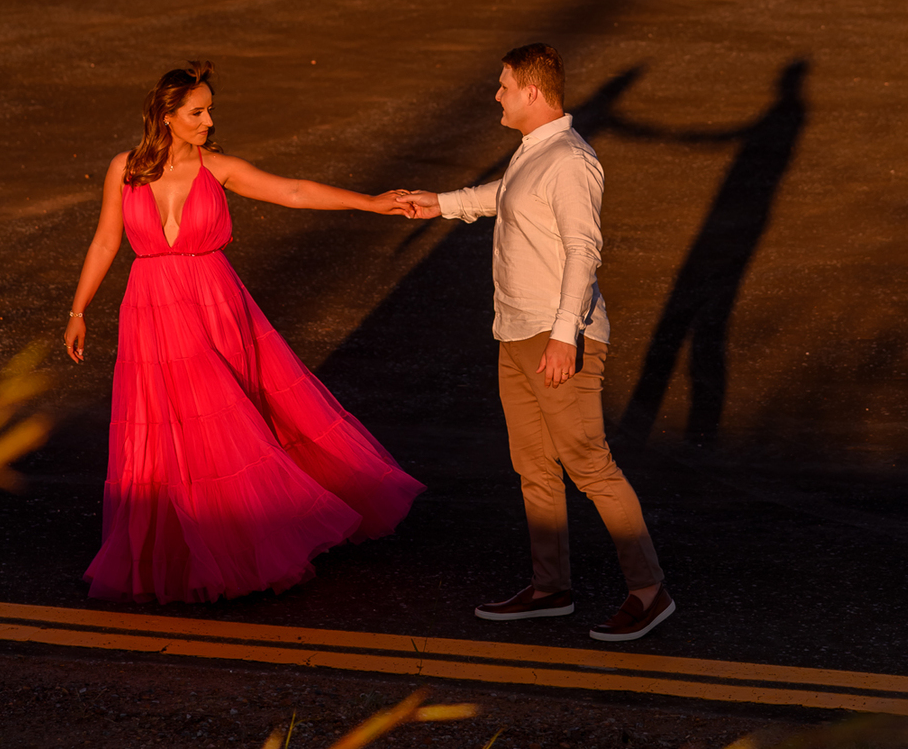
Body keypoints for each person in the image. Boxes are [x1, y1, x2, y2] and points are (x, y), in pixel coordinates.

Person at [64, 61, 423, 604]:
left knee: (225, 419)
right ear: (167, 116)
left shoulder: (219, 167)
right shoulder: (126, 168)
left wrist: (369, 202)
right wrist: (78, 310)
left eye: (209, 110)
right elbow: (105, 242)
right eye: (197, 112)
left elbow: (295, 191)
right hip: (151, 309)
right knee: (168, 427)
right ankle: (188, 549)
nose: (209, 120)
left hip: (214, 303)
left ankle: (245, 542)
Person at [405, 44, 673, 645]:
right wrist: (439, 204)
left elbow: (584, 250)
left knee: (589, 464)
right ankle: (550, 588)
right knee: (533, 468)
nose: (496, 96)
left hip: (556, 339)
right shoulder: (536, 153)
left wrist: (563, 337)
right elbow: (504, 197)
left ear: (532, 92)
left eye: (503, 87)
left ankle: (649, 592)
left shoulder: (571, 161)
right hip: (514, 332)